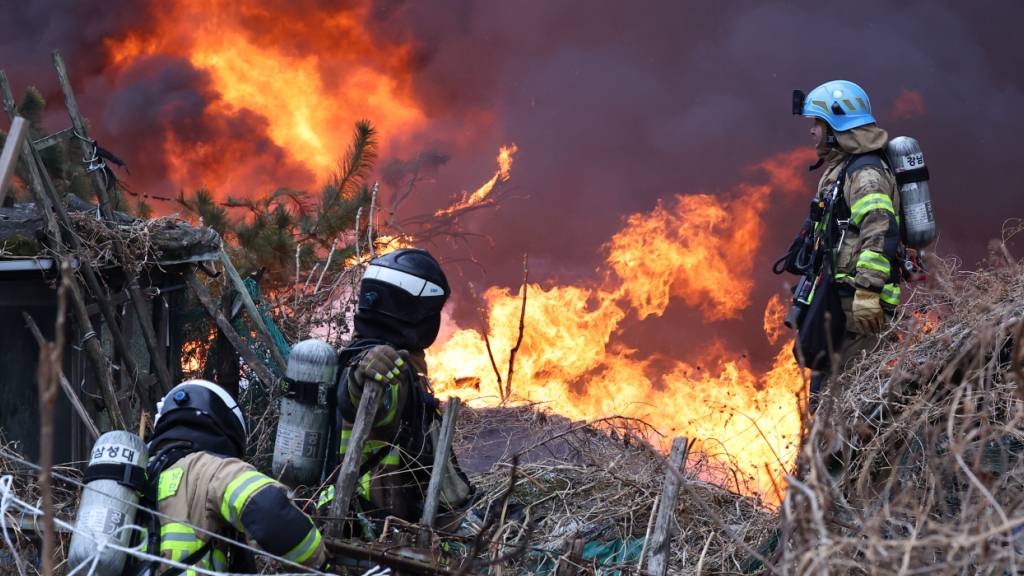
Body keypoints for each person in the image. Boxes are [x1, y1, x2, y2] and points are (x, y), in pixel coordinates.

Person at [317, 248, 472, 525]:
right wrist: (365, 374)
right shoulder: (385, 370)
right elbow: (354, 397)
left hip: (369, 516)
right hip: (374, 523)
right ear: (418, 313)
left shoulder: (356, 353)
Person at [142, 379, 327, 573]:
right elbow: (269, 509)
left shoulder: (141, 474)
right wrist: (319, 563)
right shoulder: (209, 469)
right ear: (227, 427)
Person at [795, 80, 901, 399]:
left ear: (837, 125)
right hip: (840, 302)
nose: (812, 131)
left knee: (844, 400)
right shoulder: (842, 169)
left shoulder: (865, 174)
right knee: (823, 390)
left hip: (861, 308)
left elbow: (879, 229)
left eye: (818, 122)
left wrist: (868, 292)